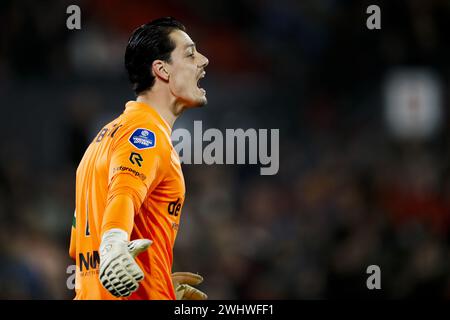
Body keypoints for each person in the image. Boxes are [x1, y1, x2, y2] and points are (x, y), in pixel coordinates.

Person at [69, 17, 209, 300]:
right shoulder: (146, 133)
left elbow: (80, 250)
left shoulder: (101, 141)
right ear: (162, 70)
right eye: (190, 53)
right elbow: (124, 194)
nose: (203, 61)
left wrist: (155, 283)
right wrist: (114, 243)